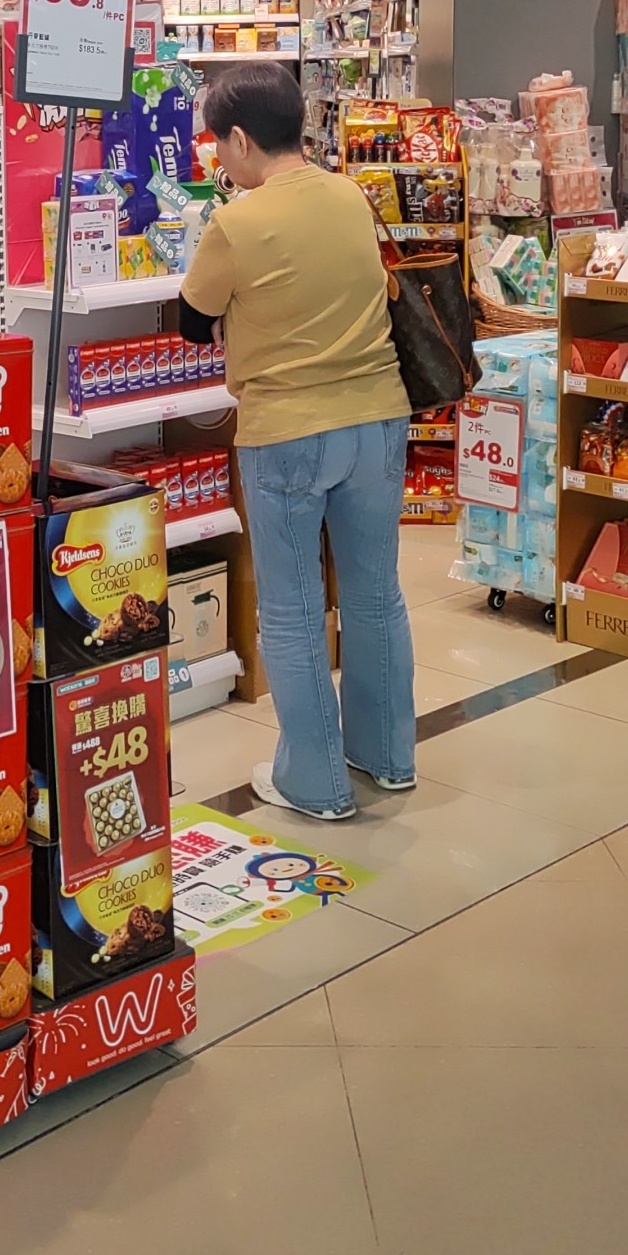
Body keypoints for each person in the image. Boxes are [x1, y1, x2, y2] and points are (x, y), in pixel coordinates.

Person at [178, 59, 416, 819]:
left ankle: (316, 783)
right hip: (377, 418)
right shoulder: (349, 194)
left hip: (286, 431)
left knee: (291, 609)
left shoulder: (236, 222)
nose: (220, 157)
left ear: (241, 140)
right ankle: (388, 757)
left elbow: (191, 322)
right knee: (376, 594)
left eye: (219, 144)